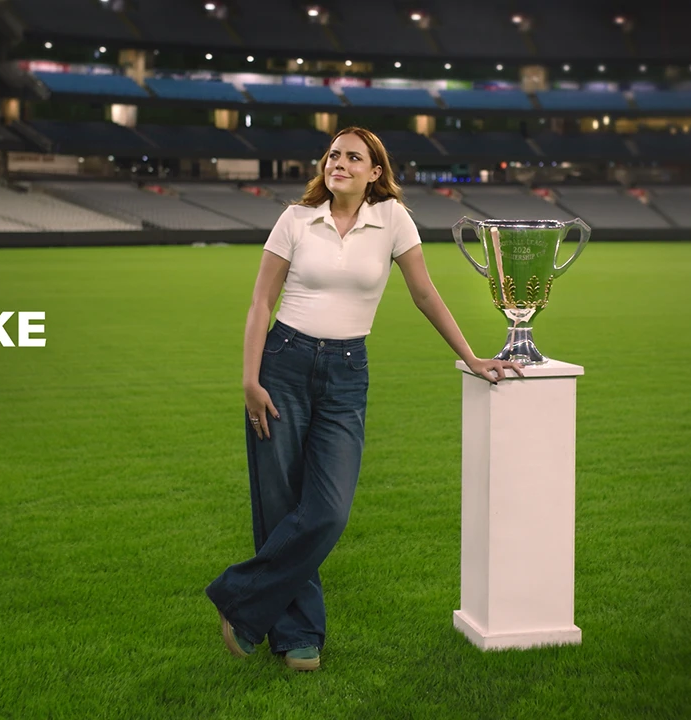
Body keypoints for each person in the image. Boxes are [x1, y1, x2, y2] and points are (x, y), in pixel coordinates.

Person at [204, 127, 524, 672]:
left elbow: (424, 293)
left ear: (376, 172)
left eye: (354, 157)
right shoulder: (296, 219)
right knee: (281, 505)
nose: (340, 163)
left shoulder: (393, 220)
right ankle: (299, 635)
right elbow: (262, 302)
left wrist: (471, 356)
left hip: (348, 372)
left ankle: (238, 596)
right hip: (281, 363)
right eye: (334, 155)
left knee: (326, 511)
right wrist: (249, 379)